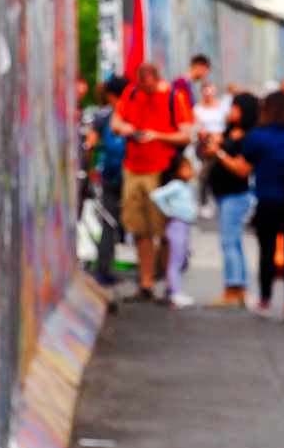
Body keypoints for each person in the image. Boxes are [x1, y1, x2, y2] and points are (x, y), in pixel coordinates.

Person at [211, 91, 284, 324]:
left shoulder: (258, 137)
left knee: (267, 252)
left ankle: (265, 299)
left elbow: (246, 162)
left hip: (268, 200)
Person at [111, 64, 194, 299]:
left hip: (161, 171)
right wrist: (128, 129)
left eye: (148, 87)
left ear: (157, 80)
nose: (145, 91)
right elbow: (115, 122)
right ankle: (145, 283)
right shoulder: (132, 93)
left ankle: (170, 282)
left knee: (163, 229)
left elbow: (187, 133)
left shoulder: (173, 98)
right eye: (141, 86)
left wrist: (157, 135)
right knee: (140, 229)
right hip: (133, 168)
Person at [201, 92, 261, 307]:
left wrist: (219, 153)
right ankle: (239, 285)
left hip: (236, 195)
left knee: (229, 242)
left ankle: (233, 287)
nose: (231, 111)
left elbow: (242, 169)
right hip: (224, 194)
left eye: (235, 108)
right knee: (234, 242)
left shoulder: (249, 138)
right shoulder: (230, 133)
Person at [88, 76, 131, 308]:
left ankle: (104, 269)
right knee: (133, 222)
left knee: (107, 222)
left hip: (108, 175)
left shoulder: (103, 115)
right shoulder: (132, 113)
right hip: (131, 172)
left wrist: (91, 167)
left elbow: (92, 143)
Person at [151, 152, 201, 309]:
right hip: (177, 225)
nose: (189, 171)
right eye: (185, 167)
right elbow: (156, 195)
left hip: (185, 225)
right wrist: (169, 211)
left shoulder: (187, 186)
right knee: (176, 261)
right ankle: (175, 292)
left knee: (182, 258)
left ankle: (177, 291)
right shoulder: (176, 185)